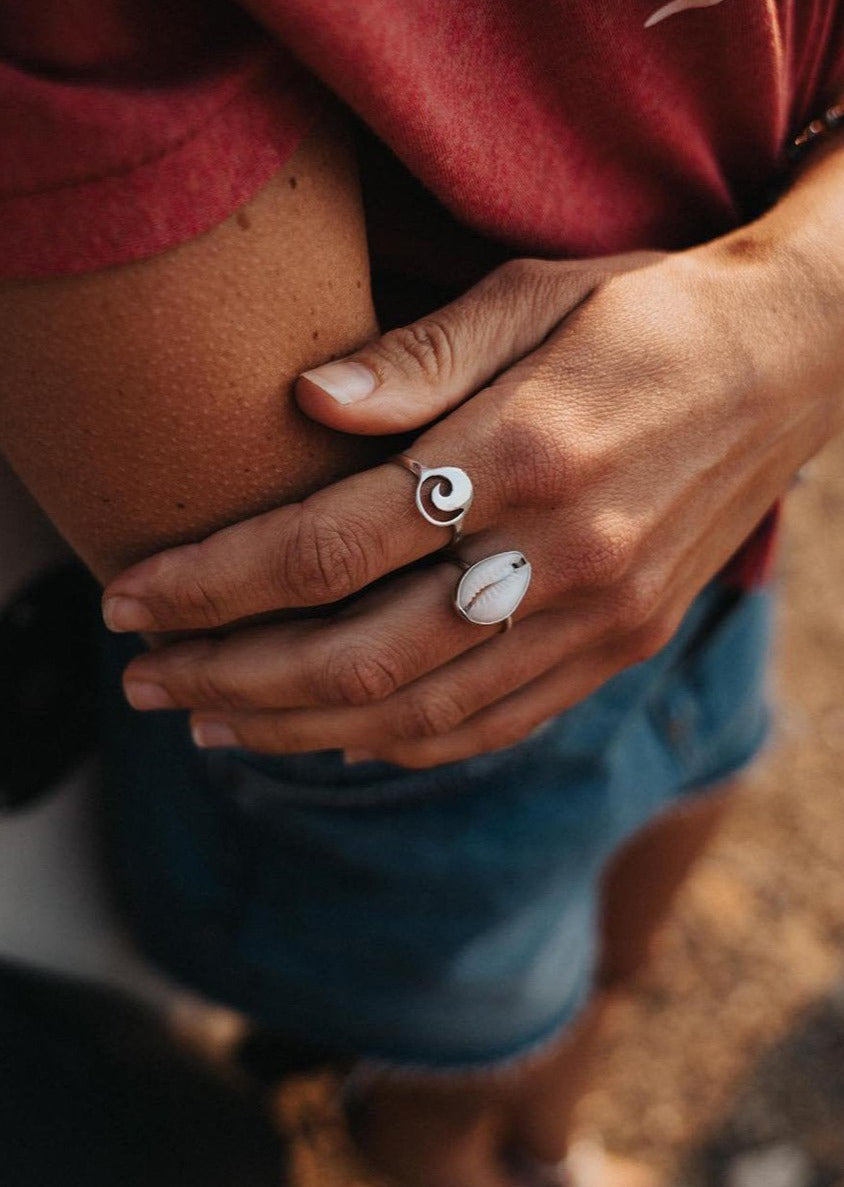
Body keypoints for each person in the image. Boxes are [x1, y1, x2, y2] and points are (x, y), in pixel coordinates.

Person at [1, 3, 843, 1184]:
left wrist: (796, 310)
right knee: (460, 1073)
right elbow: (300, 590)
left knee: (623, 947)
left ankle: (544, 1146)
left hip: (732, 522)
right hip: (448, 700)